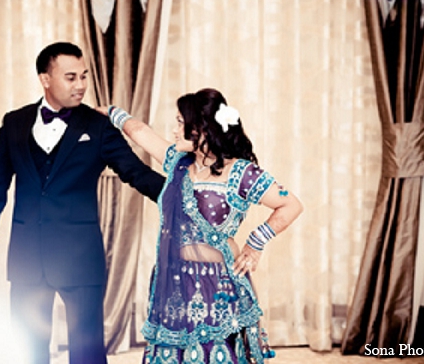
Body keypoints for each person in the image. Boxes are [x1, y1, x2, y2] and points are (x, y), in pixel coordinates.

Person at [0, 41, 165, 364]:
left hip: (80, 259)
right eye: (71, 77)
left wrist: (183, 195)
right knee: (29, 354)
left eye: (84, 76)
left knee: (87, 356)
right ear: (45, 79)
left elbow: (135, 172)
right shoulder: (14, 124)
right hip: (28, 259)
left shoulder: (99, 127)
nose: (82, 85)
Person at [98, 88, 304, 363]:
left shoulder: (241, 172)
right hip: (176, 281)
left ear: (203, 129)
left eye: (181, 123)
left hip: (219, 285)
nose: (174, 131)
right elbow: (139, 131)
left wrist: (255, 244)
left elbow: (291, 204)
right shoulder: (177, 163)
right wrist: (109, 111)